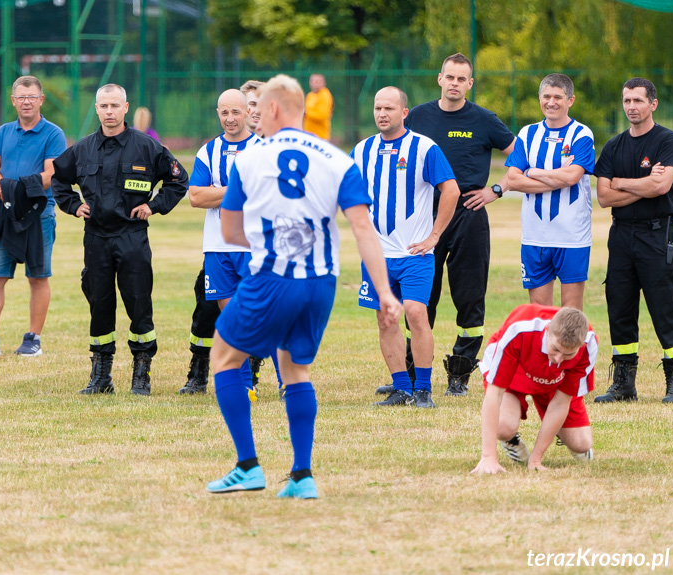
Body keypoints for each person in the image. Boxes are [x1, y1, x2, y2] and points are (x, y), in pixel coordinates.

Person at [206, 74, 401, 499]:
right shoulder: (336, 158)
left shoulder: (249, 160)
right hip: (321, 282)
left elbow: (230, 230)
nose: (255, 116)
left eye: (259, 110)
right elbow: (363, 228)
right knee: (295, 368)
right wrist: (385, 292)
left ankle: (247, 466)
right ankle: (302, 476)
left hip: (272, 276)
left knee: (222, 358)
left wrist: (265, 243)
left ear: (274, 109)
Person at [392, 52, 516, 397]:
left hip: (469, 214)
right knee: (420, 297)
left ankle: (460, 375)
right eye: (450, 77)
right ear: (440, 79)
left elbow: (520, 155)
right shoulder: (417, 117)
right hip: (424, 215)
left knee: (470, 296)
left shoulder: (484, 120)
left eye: (462, 79)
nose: (455, 84)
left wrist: (496, 189)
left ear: (470, 84)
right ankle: (414, 373)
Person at [52, 84, 188, 396]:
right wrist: (73, 205)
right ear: (97, 109)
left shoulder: (146, 147)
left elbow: (179, 179)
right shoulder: (83, 149)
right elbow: (59, 177)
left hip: (132, 236)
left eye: (115, 105)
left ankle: (142, 373)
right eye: (104, 106)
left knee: (139, 303)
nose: (109, 111)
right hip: (96, 237)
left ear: (126, 108)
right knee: (99, 303)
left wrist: (153, 206)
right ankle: (101, 376)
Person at [351, 86, 460, 409]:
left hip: (415, 254)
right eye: (377, 108)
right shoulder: (361, 151)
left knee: (415, 312)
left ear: (404, 113)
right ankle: (402, 388)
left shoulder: (424, 148)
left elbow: (451, 191)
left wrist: (434, 236)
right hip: (377, 256)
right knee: (386, 319)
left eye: (388, 108)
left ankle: (423, 388)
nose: (382, 114)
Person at [594, 77, 673, 404]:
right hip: (622, 235)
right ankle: (623, 383)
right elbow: (603, 197)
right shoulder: (614, 146)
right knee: (620, 305)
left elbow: (661, 187)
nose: (632, 107)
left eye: (638, 101)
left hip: (659, 233)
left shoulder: (668, 141)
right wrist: (642, 183)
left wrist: (621, 183)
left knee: (666, 305)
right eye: (627, 100)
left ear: (653, 104)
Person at [179, 89, 262, 396]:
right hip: (218, 246)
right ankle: (244, 385)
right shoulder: (207, 151)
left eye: (235, 112)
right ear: (218, 113)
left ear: (247, 114)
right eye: (224, 113)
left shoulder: (263, 150)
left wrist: (219, 190)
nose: (230, 119)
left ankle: (288, 381)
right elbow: (196, 196)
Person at [0, 76, 67, 357]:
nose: (26, 102)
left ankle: (33, 338)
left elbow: (51, 174)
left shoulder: (53, 134)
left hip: (38, 215)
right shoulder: (4, 132)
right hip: (3, 214)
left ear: (41, 100)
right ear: (13, 100)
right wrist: (1, 188)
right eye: (21, 97)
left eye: (32, 97)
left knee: (38, 277)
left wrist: (14, 189)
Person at [502, 74, 595, 311]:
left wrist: (532, 172)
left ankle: (571, 351)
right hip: (535, 236)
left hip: (572, 237)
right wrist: (557, 177)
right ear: (539, 98)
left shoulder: (582, 134)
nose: (551, 102)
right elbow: (513, 179)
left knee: (570, 311)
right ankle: (545, 351)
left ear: (570, 100)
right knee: (539, 311)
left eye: (558, 97)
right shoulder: (527, 133)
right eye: (546, 96)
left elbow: (573, 177)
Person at [471, 305, 597, 474]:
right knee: (503, 427)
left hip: (555, 380)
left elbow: (561, 402)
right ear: (547, 331)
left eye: (568, 355)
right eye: (556, 349)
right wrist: (488, 457)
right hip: (517, 370)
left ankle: (558, 431)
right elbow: (494, 394)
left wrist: (536, 459)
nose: (559, 359)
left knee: (582, 444)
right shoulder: (518, 330)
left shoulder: (589, 343)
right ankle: (510, 440)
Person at [304, 73, 333, 141]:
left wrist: (306, 113)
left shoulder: (325, 95)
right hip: (309, 134)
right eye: (313, 81)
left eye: (318, 81)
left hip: (320, 136)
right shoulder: (310, 96)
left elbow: (322, 115)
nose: (315, 83)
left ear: (324, 83)